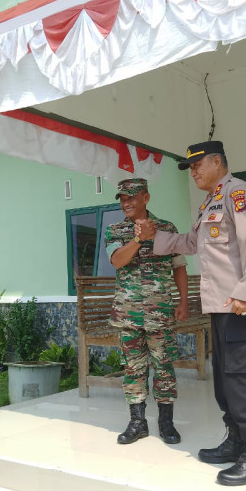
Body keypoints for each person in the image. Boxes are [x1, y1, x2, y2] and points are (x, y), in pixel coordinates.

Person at [136, 141, 246, 486]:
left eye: (198, 165)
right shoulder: (210, 202)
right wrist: (157, 237)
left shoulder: (238, 193)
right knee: (225, 381)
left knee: (240, 379)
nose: (194, 172)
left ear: (217, 162)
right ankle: (237, 441)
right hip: (219, 305)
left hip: (237, 305)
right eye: (191, 168)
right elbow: (192, 244)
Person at [105, 178, 189, 445]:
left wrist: (183, 302)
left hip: (160, 312)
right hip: (128, 314)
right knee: (134, 368)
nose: (126, 203)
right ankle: (137, 422)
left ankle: (166, 422)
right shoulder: (115, 230)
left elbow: (179, 267)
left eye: (131, 197)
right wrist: (139, 239)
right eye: (122, 198)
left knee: (164, 367)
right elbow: (118, 261)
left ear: (146, 198)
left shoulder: (166, 228)